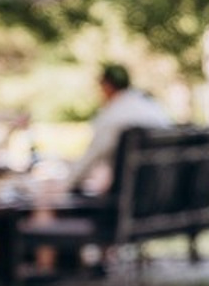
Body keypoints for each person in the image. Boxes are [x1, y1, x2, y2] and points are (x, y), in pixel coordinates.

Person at [66, 62, 172, 194]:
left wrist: (66, 184)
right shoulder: (154, 107)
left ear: (107, 86)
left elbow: (90, 158)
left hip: (128, 199)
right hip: (161, 194)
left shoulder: (113, 115)